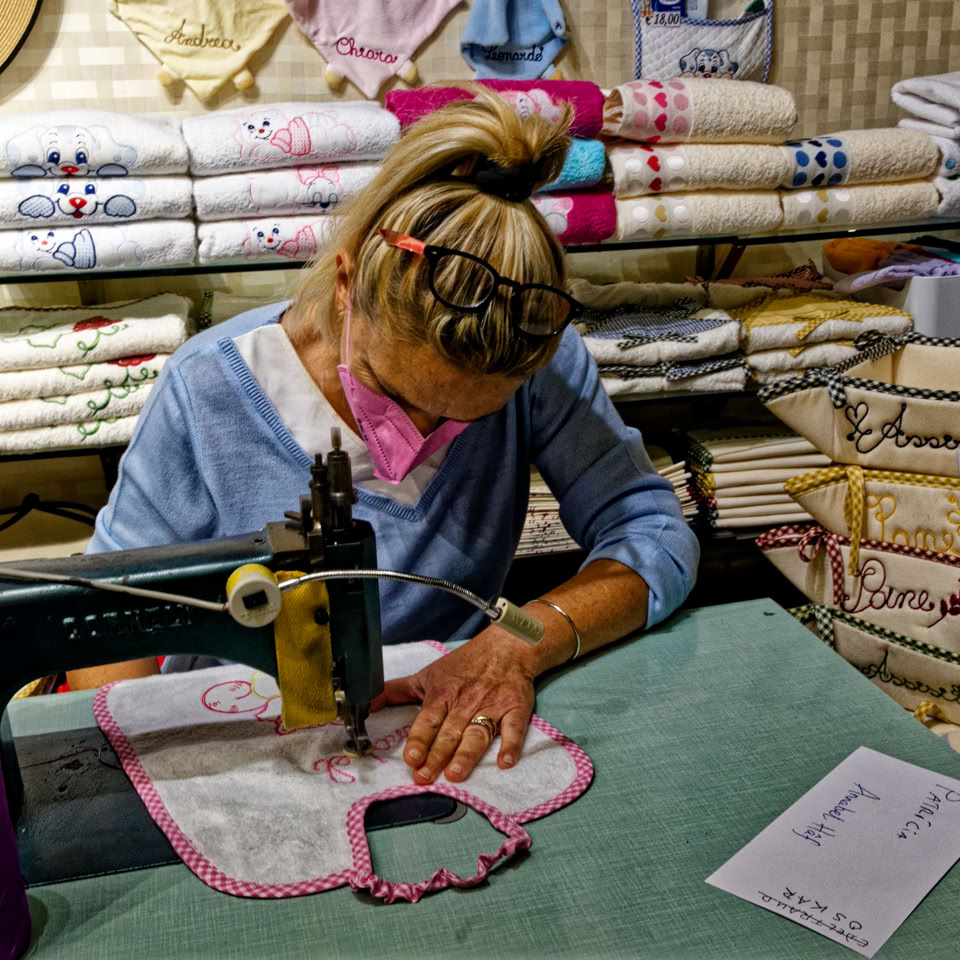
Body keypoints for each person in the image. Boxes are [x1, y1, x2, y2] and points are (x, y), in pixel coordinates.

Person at [71, 86, 699, 785]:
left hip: (440, 714)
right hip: (234, 729)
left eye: (466, 417)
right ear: (346, 285)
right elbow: (112, 608)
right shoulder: (207, 388)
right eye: (395, 394)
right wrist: (129, 783)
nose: (420, 433)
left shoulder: (537, 360)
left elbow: (652, 533)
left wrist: (518, 643)